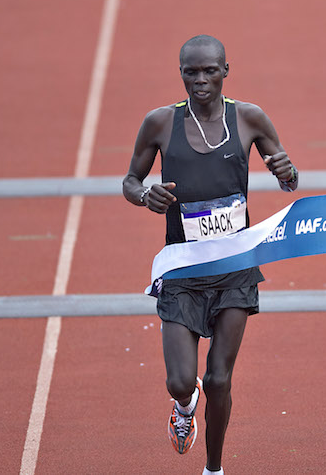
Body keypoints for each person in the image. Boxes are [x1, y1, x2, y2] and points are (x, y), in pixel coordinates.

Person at [122, 34, 298, 475]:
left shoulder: (249, 118)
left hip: (235, 266)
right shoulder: (160, 123)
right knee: (181, 380)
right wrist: (146, 196)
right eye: (191, 72)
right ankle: (184, 408)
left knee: (220, 378)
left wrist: (287, 173)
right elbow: (129, 181)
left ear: (225, 70)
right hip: (183, 268)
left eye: (209, 71)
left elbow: (289, 177)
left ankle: (213, 468)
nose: (200, 80)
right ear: (180, 73)